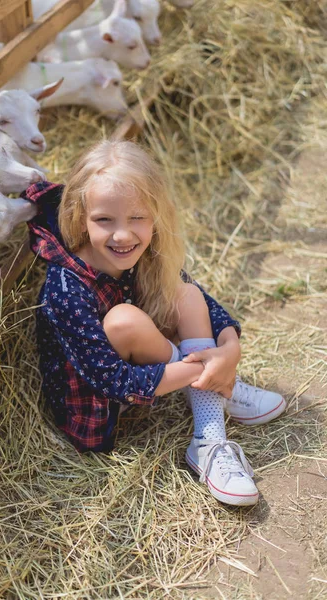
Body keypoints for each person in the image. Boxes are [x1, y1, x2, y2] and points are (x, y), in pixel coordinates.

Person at [23, 140, 286, 507]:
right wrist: (208, 368)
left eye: (137, 218)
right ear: (80, 216)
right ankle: (215, 386)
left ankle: (208, 441)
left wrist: (230, 350)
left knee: (185, 294)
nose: (123, 235)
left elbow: (204, 304)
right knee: (124, 320)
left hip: (149, 364)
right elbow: (115, 382)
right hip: (102, 401)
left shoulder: (144, 251)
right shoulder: (66, 289)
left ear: (155, 215)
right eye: (104, 220)